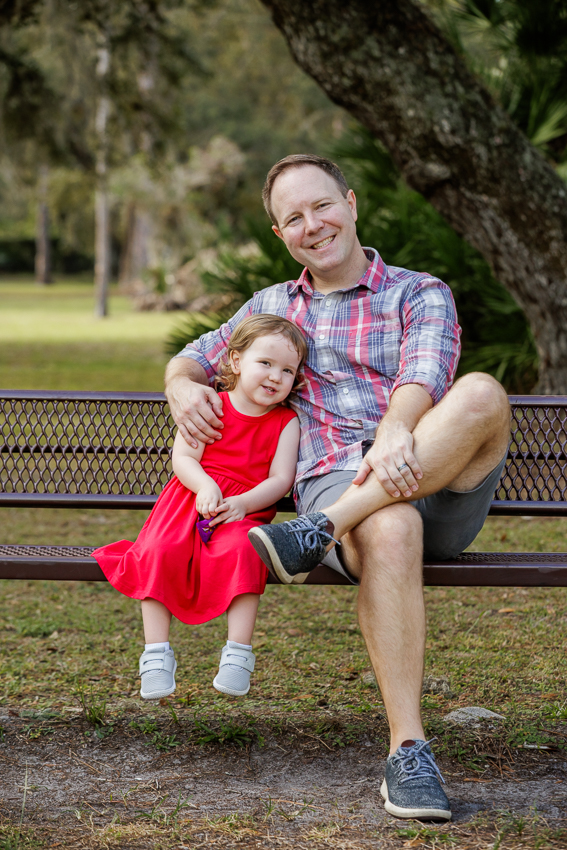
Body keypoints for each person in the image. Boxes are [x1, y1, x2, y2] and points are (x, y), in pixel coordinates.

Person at [164, 154, 511, 821]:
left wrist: (395, 430)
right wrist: (180, 384)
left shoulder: (417, 291)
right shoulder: (269, 308)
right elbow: (195, 356)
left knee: (482, 393)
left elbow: (426, 370)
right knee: (390, 523)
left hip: (430, 475)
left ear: (350, 204)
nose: (311, 224)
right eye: (292, 218)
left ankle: (318, 530)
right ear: (279, 235)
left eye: (321, 205)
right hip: (340, 488)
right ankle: (408, 750)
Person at [92, 315, 305, 701]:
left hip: (243, 509)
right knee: (158, 551)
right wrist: (205, 484)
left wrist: (242, 503)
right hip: (188, 500)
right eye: (266, 363)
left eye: (287, 370)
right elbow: (184, 459)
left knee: (246, 551)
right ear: (236, 361)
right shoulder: (209, 405)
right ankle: (156, 655)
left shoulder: (286, 421)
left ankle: (238, 654)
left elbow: (280, 480)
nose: (275, 376)